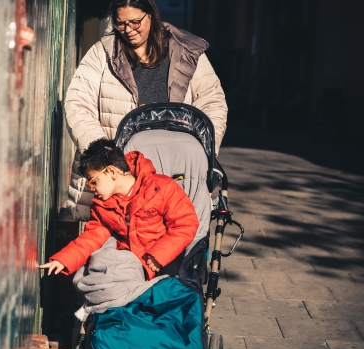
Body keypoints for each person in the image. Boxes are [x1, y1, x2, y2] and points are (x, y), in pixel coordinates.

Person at [63, 0, 227, 221]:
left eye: (135, 22)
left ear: (151, 15)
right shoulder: (102, 52)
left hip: (175, 172)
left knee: (174, 236)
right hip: (118, 175)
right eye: (120, 23)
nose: (128, 30)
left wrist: (203, 150)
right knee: (112, 240)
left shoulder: (185, 53)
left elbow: (212, 102)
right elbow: (77, 102)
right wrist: (105, 154)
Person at [40, 138, 198, 282]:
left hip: (163, 262)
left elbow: (186, 224)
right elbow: (92, 237)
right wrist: (64, 259)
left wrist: (160, 254)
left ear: (112, 172)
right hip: (129, 264)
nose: (92, 189)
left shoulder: (161, 187)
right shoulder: (102, 205)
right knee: (87, 279)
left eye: (93, 182)